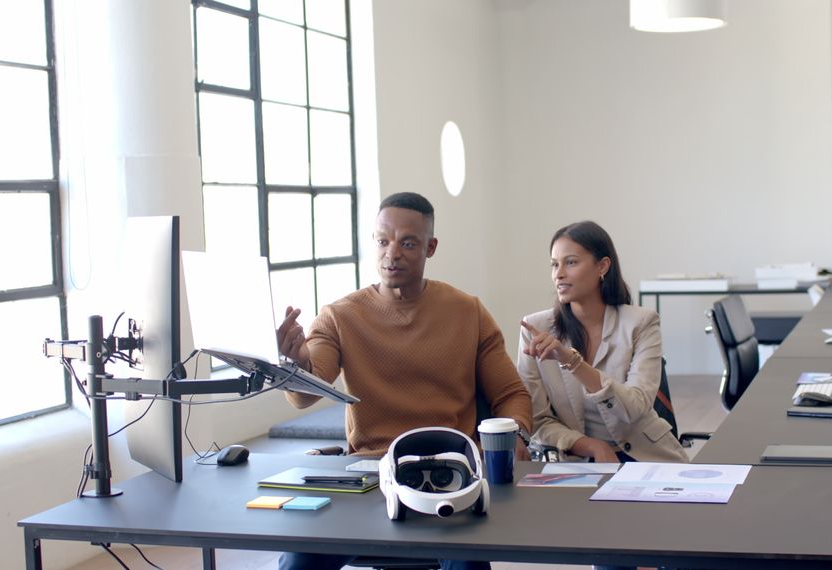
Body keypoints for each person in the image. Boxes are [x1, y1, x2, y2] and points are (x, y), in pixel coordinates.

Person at [275, 191, 533, 570]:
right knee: (298, 561)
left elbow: (511, 394)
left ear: (431, 247)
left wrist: (517, 436)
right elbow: (304, 396)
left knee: (466, 563)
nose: (391, 254)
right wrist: (295, 365)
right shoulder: (340, 316)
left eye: (408, 243)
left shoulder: (468, 312)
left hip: (449, 473)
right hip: (370, 474)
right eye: (383, 241)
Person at [518, 221, 687, 465]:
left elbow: (636, 407)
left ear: (603, 266)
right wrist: (592, 446)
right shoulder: (535, 329)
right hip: (576, 460)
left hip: (646, 456)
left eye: (571, 262)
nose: (559, 274)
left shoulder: (642, 323)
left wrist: (572, 362)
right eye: (554, 264)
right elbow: (537, 420)